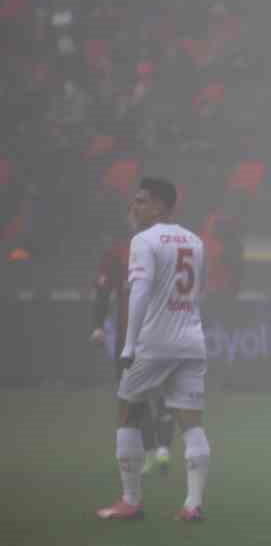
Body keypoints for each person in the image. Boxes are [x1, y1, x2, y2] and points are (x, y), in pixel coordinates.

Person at [96, 178, 213, 523]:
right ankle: (193, 505)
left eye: (142, 201)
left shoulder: (143, 241)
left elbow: (140, 292)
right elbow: (196, 292)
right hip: (191, 341)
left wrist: (129, 344)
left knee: (127, 412)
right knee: (191, 423)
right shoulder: (195, 240)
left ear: (161, 206)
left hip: (154, 343)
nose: (135, 207)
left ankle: (131, 501)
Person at [91, 202, 174, 476]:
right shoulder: (116, 253)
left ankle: (161, 448)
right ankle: (153, 451)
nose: (136, 218)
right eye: (133, 213)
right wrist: (98, 324)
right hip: (129, 339)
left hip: (156, 335)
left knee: (157, 392)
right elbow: (103, 291)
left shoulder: (164, 249)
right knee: (136, 399)